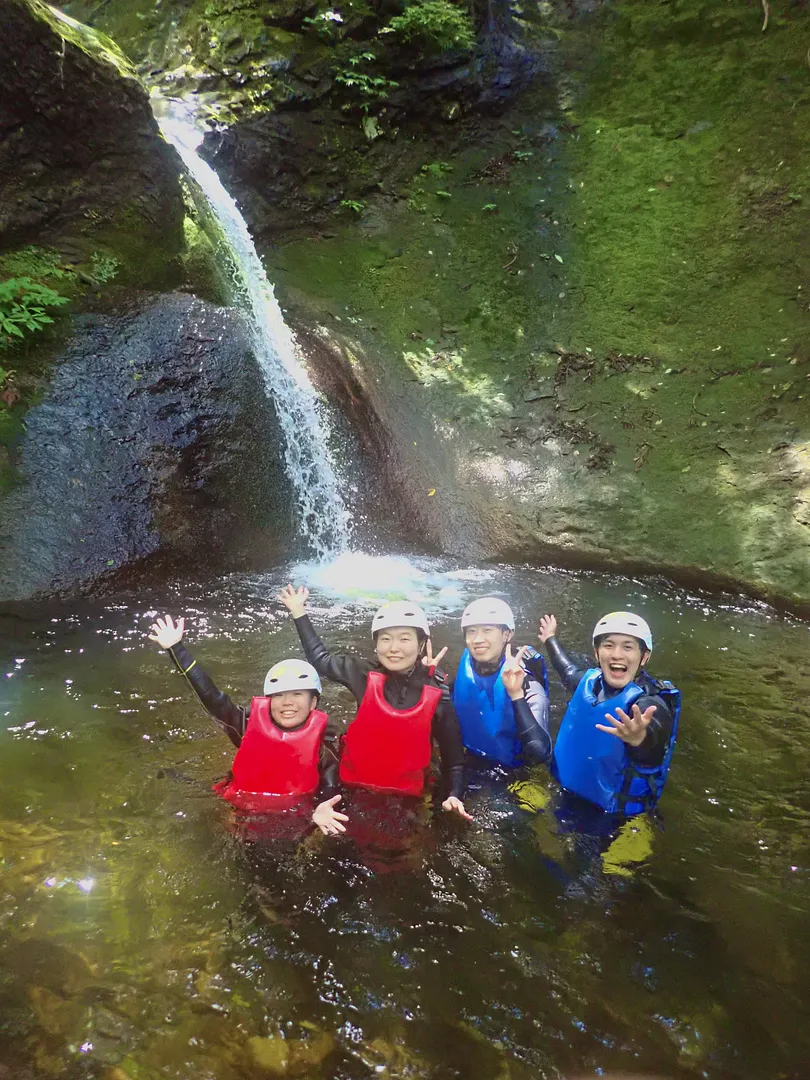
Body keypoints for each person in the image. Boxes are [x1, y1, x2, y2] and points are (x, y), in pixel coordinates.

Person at [277, 586, 472, 821]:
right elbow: (321, 660)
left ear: (421, 644)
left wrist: (454, 795)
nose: (394, 648)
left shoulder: (437, 691)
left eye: (404, 639)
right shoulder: (362, 673)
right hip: (352, 790)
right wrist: (299, 611)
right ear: (376, 645)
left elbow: (454, 762)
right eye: (386, 639)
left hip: (406, 801)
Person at [147, 614, 347, 836]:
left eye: (297, 694)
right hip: (242, 812)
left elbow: (331, 793)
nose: (287, 702)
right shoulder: (245, 727)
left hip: (294, 820)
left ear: (313, 703)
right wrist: (176, 649)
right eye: (278, 695)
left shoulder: (324, 750)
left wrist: (319, 812)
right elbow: (213, 699)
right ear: (268, 700)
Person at [538, 611, 680, 817]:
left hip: (614, 821)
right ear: (597, 653)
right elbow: (566, 669)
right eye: (608, 645)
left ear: (644, 656)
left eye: (628, 647)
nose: (616, 654)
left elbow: (653, 743)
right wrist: (550, 638)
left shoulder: (650, 704)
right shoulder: (589, 683)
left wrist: (640, 739)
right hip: (565, 794)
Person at [450, 596, 551, 769]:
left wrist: (516, 694)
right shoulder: (467, 664)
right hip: (467, 760)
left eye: (487, 630)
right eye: (471, 631)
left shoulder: (528, 683)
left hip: (510, 774)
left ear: (507, 634)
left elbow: (540, 752)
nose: (477, 639)